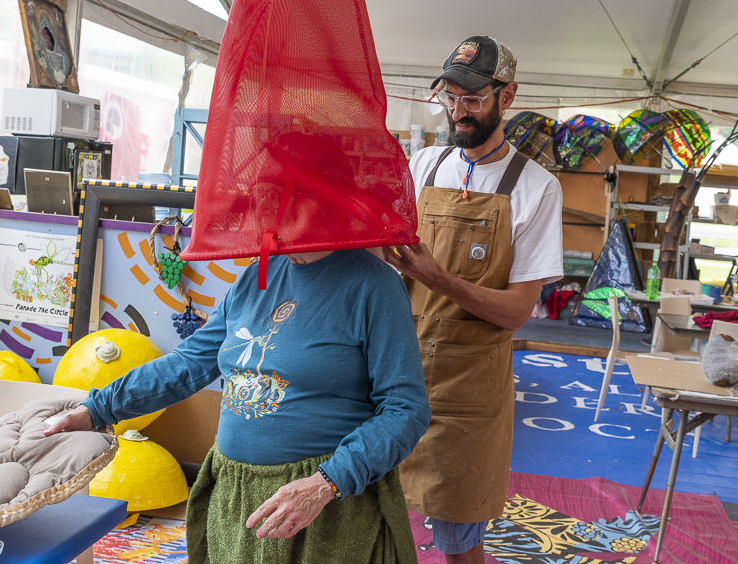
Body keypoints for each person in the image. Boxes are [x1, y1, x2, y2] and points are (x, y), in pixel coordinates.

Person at [45, 133, 430, 563]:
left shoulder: (374, 288)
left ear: (320, 199)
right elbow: (188, 364)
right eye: (260, 196)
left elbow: (405, 409)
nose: (260, 210)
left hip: (323, 509)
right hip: (236, 495)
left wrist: (327, 482)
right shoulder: (257, 278)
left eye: (274, 196)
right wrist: (96, 409)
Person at [385, 36, 563, 563]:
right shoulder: (423, 167)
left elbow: (515, 312)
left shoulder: (537, 188)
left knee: (459, 533)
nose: (458, 112)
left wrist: (439, 279)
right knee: (375, 513)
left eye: (473, 100)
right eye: (450, 98)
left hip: (469, 387)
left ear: (507, 97)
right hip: (396, 370)